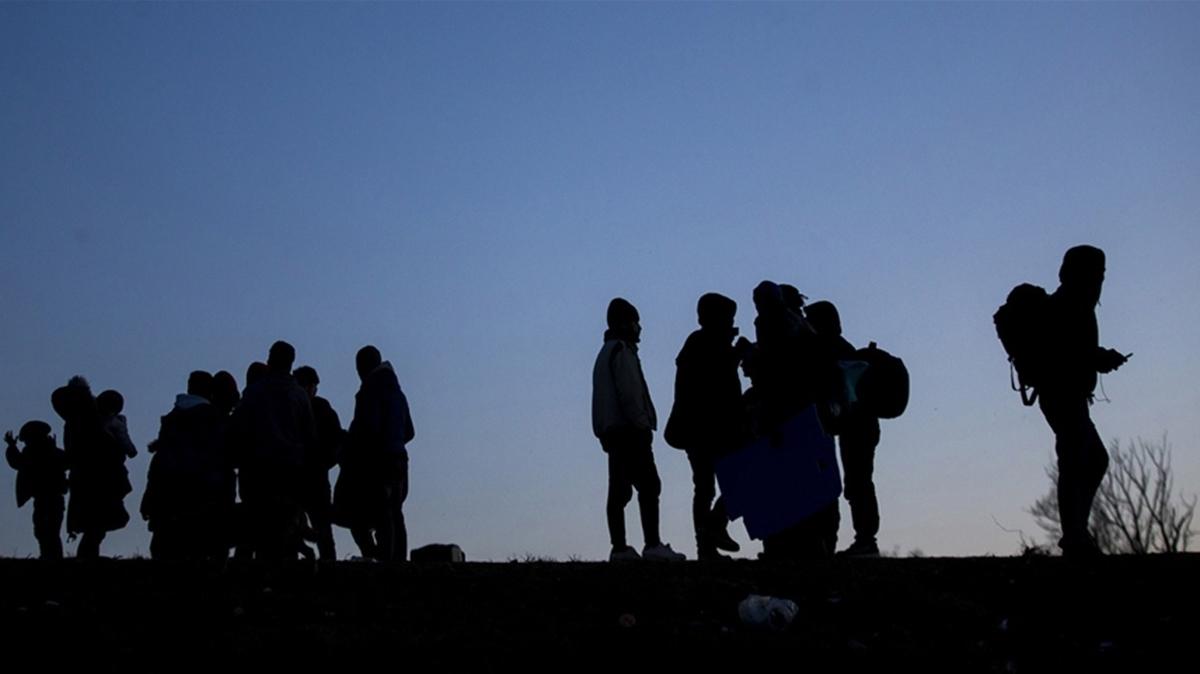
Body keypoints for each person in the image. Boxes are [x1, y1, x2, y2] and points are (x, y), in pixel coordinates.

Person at [1039, 245, 1129, 557]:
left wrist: (1098, 358)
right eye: (1097, 273)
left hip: (1068, 395)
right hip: (1061, 394)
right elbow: (1067, 351)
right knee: (1076, 458)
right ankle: (1074, 537)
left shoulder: (1073, 303)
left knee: (1090, 459)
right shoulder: (1069, 304)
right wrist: (1100, 358)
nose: (1100, 280)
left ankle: (1076, 533)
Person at [592, 298, 685, 562]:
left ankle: (619, 547)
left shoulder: (606, 353)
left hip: (613, 432)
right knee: (648, 485)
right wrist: (642, 424)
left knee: (619, 490)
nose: (640, 328)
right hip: (629, 430)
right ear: (625, 323)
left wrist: (602, 431)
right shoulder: (621, 351)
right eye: (636, 322)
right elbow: (630, 394)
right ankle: (651, 544)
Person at [665, 293, 748, 560]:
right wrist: (737, 353)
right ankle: (712, 532)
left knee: (707, 487)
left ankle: (708, 539)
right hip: (710, 429)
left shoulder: (700, 344)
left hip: (702, 429)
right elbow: (717, 379)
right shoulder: (705, 344)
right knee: (730, 481)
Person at [227, 341, 317, 560]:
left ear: (271, 360)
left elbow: (238, 428)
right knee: (284, 529)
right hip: (289, 471)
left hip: (257, 469)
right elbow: (310, 436)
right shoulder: (299, 396)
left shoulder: (254, 393)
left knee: (254, 525)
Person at [807, 300, 882, 557]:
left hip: (856, 426)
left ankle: (866, 540)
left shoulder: (831, 350)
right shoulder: (843, 348)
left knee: (858, 482)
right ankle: (865, 538)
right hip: (862, 425)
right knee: (859, 481)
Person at [335, 346, 415, 562]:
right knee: (396, 513)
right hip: (400, 459)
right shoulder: (399, 394)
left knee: (379, 514)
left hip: (379, 461)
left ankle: (383, 563)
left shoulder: (369, 392)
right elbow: (410, 431)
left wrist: (353, 450)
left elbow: (368, 429)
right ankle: (398, 561)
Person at [142, 371, 228, 560]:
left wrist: (150, 495)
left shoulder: (173, 418)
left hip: (168, 490)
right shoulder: (212, 417)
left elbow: (159, 461)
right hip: (200, 491)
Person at [51, 376, 132, 559]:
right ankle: (88, 558)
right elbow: (108, 450)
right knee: (96, 525)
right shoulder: (90, 421)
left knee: (94, 525)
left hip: (87, 476)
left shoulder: (77, 420)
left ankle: (88, 557)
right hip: (99, 477)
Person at [293, 365, 342, 561]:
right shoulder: (323, 409)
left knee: (292, 529)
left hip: (296, 476)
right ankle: (328, 572)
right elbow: (336, 442)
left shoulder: (293, 407)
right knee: (322, 530)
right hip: (315, 478)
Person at [5, 421, 68, 559]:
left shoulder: (39, 454)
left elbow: (17, 462)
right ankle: (50, 557)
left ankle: (51, 558)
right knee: (45, 531)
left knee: (47, 531)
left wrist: (12, 447)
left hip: (49, 498)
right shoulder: (54, 453)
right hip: (48, 499)